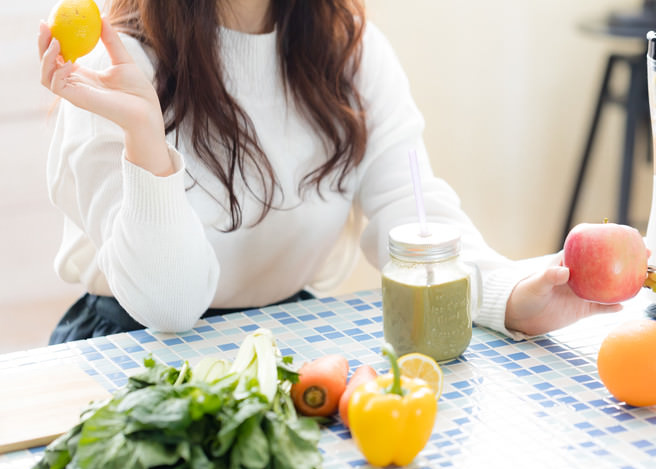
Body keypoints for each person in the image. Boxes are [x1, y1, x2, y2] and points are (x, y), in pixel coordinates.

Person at [37, 0, 620, 345]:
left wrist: (508, 295)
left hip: (284, 339)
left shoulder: (347, 48)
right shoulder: (115, 66)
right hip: (131, 348)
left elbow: (412, 209)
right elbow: (167, 308)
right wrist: (146, 137)